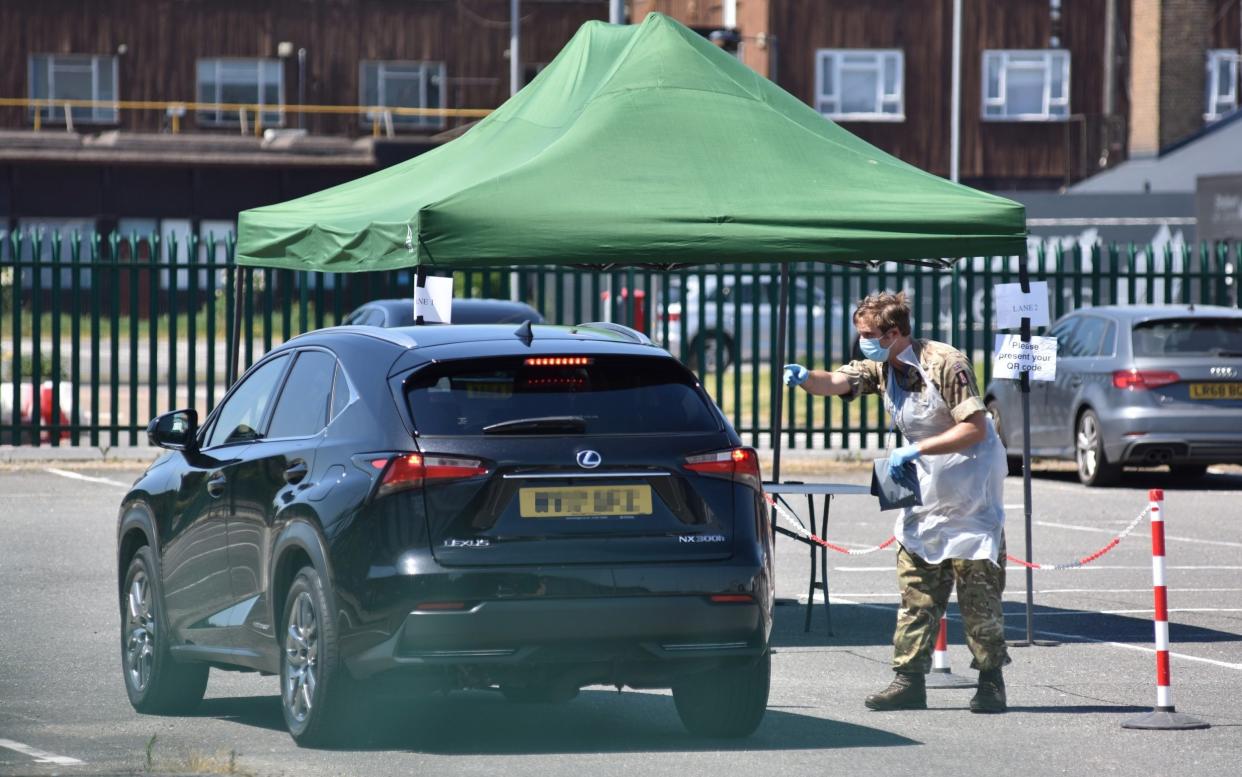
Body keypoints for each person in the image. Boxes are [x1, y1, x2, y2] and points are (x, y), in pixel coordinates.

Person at [783, 290, 1010, 714]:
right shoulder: (882, 365)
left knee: (979, 600)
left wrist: (917, 450)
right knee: (916, 594)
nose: (863, 341)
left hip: (972, 501)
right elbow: (838, 381)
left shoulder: (946, 363)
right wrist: (805, 378)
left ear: (893, 332)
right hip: (924, 499)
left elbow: (976, 428)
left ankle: (990, 682)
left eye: (869, 334)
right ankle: (909, 680)